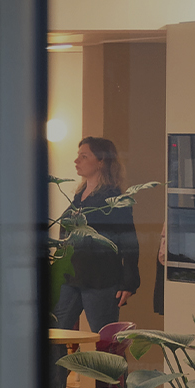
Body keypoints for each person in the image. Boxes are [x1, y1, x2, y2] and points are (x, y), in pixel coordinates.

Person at [54, 136, 140, 333]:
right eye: (78, 156)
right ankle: (56, 366)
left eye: (84, 156)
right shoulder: (79, 197)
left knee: (104, 338)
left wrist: (129, 281)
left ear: (101, 162)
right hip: (71, 276)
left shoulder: (114, 199)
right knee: (56, 332)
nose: (77, 161)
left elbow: (129, 240)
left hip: (101, 279)